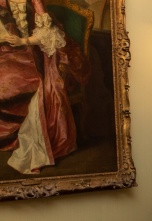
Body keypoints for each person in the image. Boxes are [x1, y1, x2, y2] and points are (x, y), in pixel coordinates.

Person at [0, 0, 90, 174]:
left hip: (33, 55)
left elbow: (48, 35)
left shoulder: (35, 2)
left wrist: (22, 40)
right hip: (9, 53)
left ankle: (13, 136)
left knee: (7, 82)